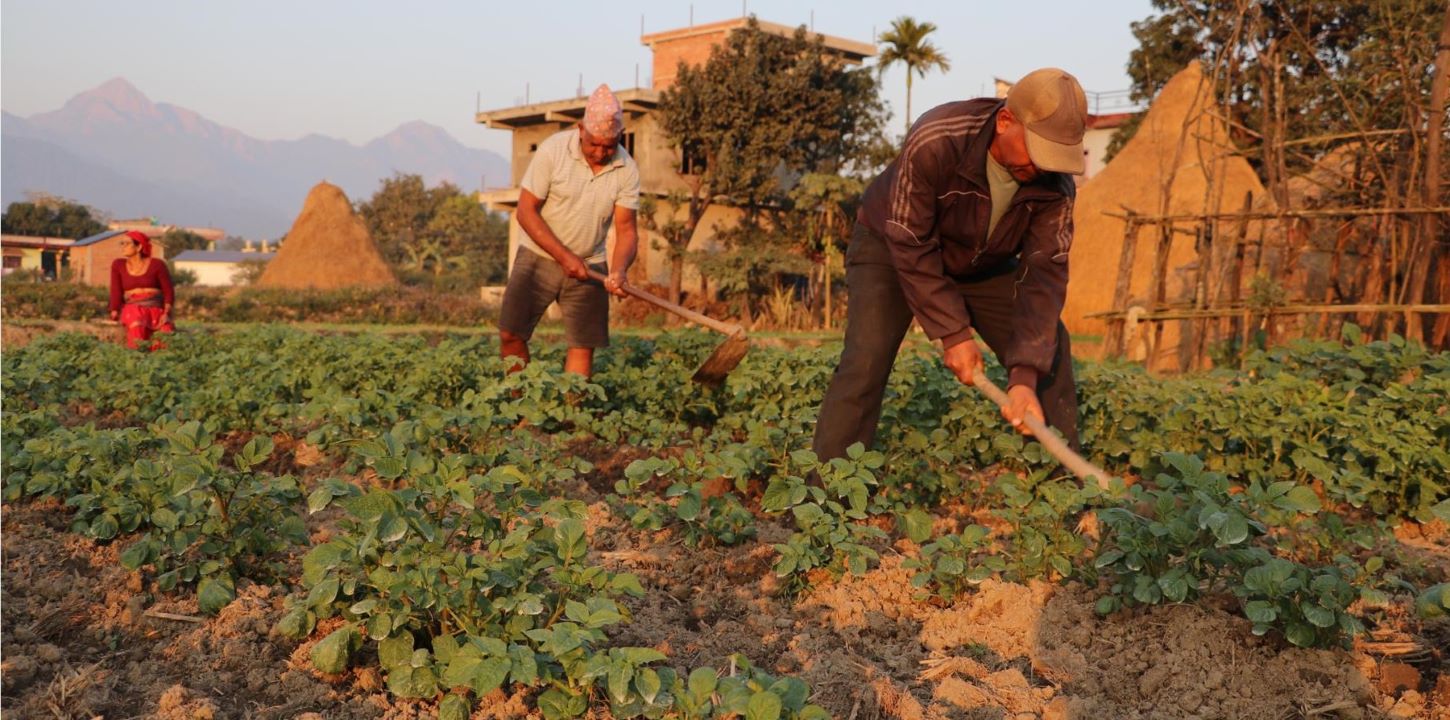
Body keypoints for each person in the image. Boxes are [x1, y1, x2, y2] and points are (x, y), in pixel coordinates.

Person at [813, 68, 1089, 461]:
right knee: (866, 359)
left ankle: (1061, 486)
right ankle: (827, 489)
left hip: (981, 261)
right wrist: (954, 333)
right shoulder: (938, 137)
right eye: (1039, 151)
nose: (1046, 167)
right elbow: (910, 241)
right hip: (891, 246)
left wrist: (1024, 376)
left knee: (1050, 349)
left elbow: (1043, 278)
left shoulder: (1056, 187)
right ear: (1005, 121)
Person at [498, 84, 640, 377]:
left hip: (590, 262)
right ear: (580, 130)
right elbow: (525, 211)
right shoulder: (553, 151)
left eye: (609, 145)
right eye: (594, 144)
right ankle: (519, 410)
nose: (601, 152)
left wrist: (620, 270)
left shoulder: (627, 169)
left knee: (582, 345)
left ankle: (572, 417)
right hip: (538, 257)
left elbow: (626, 230)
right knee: (511, 334)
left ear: (619, 138)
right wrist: (563, 257)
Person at [109, 230, 175, 350]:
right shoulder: (118, 265)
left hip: (155, 308)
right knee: (137, 324)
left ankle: (160, 363)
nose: (123, 247)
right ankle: (137, 360)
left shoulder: (157, 264)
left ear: (139, 246)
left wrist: (166, 313)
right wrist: (114, 310)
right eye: (122, 243)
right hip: (133, 308)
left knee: (166, 332)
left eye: (127, 243)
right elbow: (116, 290)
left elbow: (168, 291)